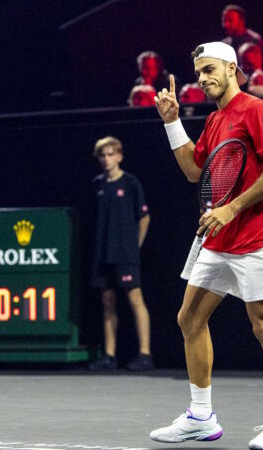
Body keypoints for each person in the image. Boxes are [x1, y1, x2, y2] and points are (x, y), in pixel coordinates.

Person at [151, 41, 263, 449]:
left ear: (233, 68)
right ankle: (200, 416)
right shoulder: (216, 122)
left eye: (210, 70)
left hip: (258, 237)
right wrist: (172, 123)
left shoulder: (257, 110)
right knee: (189, 319)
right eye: (198, 73)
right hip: (218, 240)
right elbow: (194, 172)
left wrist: (231, 208)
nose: (203, 79)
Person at [88, 136, 154, 372]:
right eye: (102, 156)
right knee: (107, 301)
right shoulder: (97, 185)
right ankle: (109, 355)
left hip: (126, 253)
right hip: (102, 253)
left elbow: (144, 216)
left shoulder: (130, 183)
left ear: (119, 156)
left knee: (135, 299)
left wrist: (135, 246)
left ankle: (145, 354)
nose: (106, 159)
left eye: (110, 154)